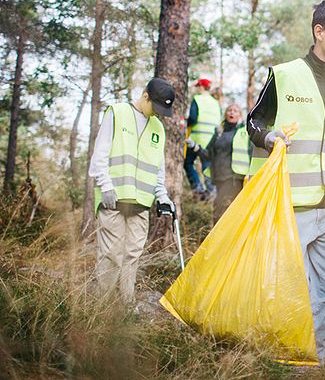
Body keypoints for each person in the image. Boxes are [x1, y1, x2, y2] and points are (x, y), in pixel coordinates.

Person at [246, 0, 325, 364]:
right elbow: (253, 122)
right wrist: (268, 138)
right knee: (285, 288)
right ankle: (280, 359)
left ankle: (312, 362)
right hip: (291, 203)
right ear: (319, 32)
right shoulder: (284, 75)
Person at [88, 77, 176, 303]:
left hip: (141, 204)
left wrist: (162, 195)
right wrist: (105, 186)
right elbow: (99, 155)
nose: (157, 114)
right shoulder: (117, 113)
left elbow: (157, 167)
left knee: (132, 256)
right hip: (113, 199)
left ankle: (126, 305)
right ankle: (101, 308)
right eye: (156, 107)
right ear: (145, 95)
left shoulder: (158, 126)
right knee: (111, 255)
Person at [187, 103, 251, 225]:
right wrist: (194, 146)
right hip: (219, 179)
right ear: (225, 114)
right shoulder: (219, 132)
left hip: (233, 179)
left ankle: (221, 241)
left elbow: (251, 153)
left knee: (221, 213)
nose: (232, 112)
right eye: (229, 110)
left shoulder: (244, 132)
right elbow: (209, 154)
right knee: (220, 212)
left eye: (235, 111)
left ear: (240, 115)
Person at [185, 78, 221, 199]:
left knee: (188, 163)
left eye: (197, 86)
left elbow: (193, 118)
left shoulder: (197, 99)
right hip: (211, 140)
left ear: (201, 87)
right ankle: (211, 191)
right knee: (207, 166)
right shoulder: (215, 102)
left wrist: (185, 123)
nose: (196, 89)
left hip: (197, 137)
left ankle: (198, 188)